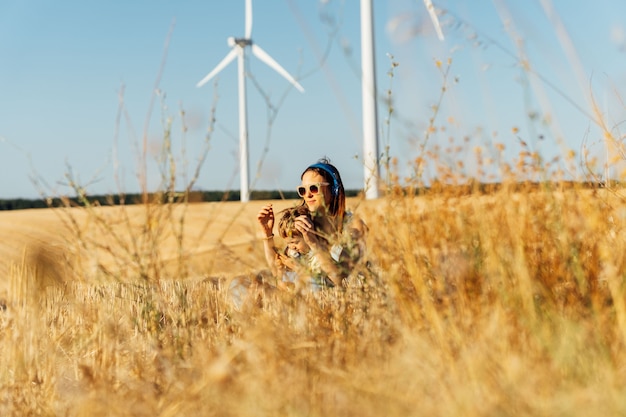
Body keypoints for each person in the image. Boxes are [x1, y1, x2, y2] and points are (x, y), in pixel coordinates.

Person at [293, 158, 369, 287]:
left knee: (313, 282)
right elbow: (279, 273)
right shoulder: (304, 222)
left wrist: (314, 243)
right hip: (309, 299)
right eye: (303, 190)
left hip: (344, 299)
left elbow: (340, 279)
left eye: (314, 188)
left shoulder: (354, 226)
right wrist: (267, 234)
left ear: (334, 190)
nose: (308, 195)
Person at [257, 204, 336, 291]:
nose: (291, 247)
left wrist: (297, 268)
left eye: (295, 242)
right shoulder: (293, 253)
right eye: (288, 243)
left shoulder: (320, 255)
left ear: (308, 235)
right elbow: (277, 275)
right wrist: (280, 269)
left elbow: (323, 283)